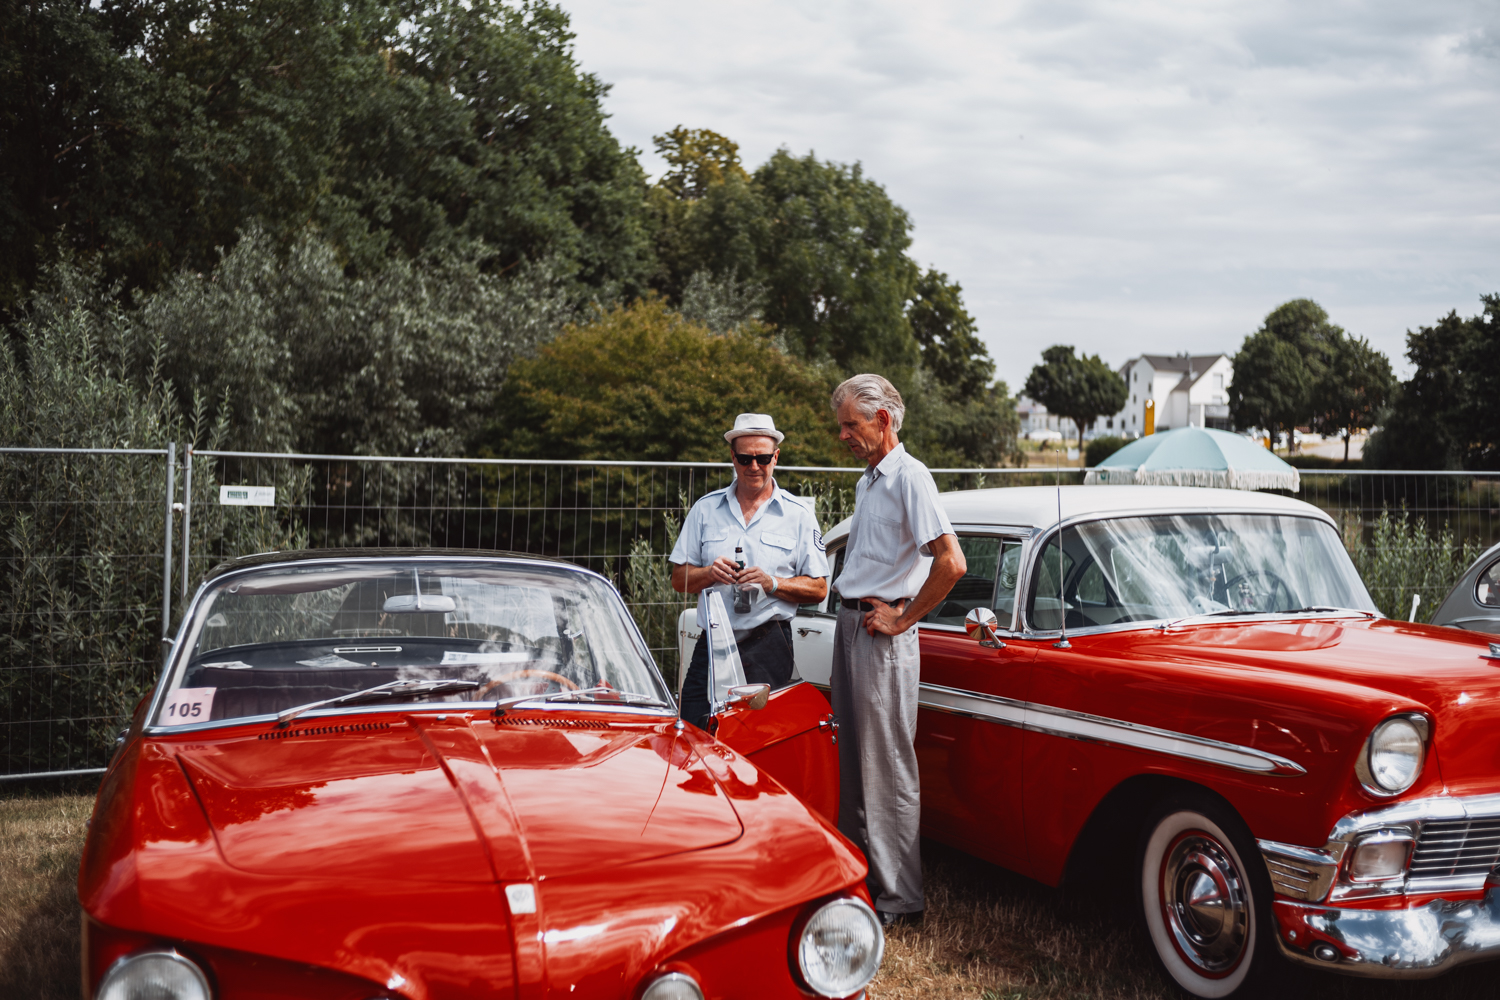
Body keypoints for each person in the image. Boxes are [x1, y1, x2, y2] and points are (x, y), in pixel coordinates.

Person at [829, 374, 965, 928]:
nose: (842, 436)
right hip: (852, 626)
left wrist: (905, 618)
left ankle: (900, 900)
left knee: (886, 767)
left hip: (881, 632)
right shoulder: (870, 481)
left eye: (850, 425)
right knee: (855, 763)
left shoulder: (911, 477)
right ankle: (862, 879)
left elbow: (951, 562)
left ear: (883, 420)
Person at [670, 413, 830, 729]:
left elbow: (819, 588)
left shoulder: (797, 515)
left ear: (776, 457)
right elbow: (679, 580)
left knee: (762, 739)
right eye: (745, 458)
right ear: (733, 457)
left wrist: (772, 582)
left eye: (762, 458)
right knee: (693, 731)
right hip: (714, 643)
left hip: (769, 643)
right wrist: (709, 573)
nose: (754, 466)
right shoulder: (705, 509)